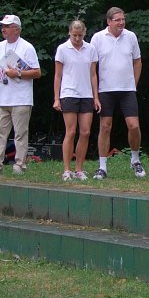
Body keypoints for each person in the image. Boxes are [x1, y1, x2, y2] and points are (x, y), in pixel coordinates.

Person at [0, 14, 41, 175]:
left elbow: (37, 72)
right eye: (2, 26)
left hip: (21, 98)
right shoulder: (0, 46)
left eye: (7, 26)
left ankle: (19, 165)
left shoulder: (27, 47)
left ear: (17, 29)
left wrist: (18, 73)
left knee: (20, 133)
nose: (3, 29)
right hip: (2, 98)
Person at [90, 7, 145, 180]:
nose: (121, 23)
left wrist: (133, 83)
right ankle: (102, 167)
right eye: (117, 20)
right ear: (109, 21)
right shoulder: (98, 38)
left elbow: (138, 62)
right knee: (105, 126)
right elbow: (92, 66)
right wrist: (95, 94)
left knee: (133, 126)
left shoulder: (131, 36)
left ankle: (135, 160)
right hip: (105, 90)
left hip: (127, 89)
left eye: (123, 19)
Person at [53, 20, 101, 181]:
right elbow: (58, 75)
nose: (77, 38)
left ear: (84, 33)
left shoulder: (91, 49)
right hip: (69, 93)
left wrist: (96, 97)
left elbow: (93, 74)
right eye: (74, 35)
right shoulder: (62, 49)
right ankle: (67, 169)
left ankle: (79, 168)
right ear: (69, 33)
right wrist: (56, 98)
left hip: (86, 94)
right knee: (71, 131)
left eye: (80, 35)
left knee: (85, 132)